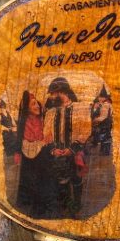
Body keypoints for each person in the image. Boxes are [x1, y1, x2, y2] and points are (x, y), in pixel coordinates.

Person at [42, 77, 91, 214]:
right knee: (61, 180)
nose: (51, 97)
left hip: (75, 152)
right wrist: (53, 150)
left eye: (53, 94)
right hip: (57, 154)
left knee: (76, 178)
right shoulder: (50, 113)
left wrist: (72, 149)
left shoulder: (81, 108)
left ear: (62, 92)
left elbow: (86, 130)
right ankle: (64, 204)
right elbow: (46, 134)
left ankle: (76, 204)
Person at [13, 91, 48, 216]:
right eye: (33, 104)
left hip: (41, 155)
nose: (37, 106)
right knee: (28, 178)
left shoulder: (42, 119)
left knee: (40, 179)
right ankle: (26, 201)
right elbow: (20, 138)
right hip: (27, 153)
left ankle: (39, 206)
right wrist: (18, 152)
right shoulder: (24, 122)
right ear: (27, 109)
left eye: (37, 103)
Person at [90, 85, 113, 155]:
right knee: (104, 137)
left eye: (101, 97)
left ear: (105, 98)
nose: (99, 99)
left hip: (105, 123)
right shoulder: (102, 104)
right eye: (99, 97)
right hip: (105, 123)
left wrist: (95, 120)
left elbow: (103, 117)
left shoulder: (106, 105)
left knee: (105, 138)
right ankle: (104, 151)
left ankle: (105, 152)